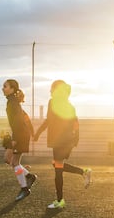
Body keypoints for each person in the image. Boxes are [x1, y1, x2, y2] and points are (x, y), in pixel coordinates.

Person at [33, 80, 92, 209]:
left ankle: (60, 200)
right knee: (56, 164)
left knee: (58, 168)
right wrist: (76, 138)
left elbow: (48, 120)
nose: (50, 91)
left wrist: (37, 133)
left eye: (51, 89)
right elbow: (76, 122)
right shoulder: (70, 105)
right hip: (67, 140)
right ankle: (83, 172)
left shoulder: (52, 102)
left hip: (60, 140)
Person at [2, 79, 37, 201]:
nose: (3, 88)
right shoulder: (12, 102)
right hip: (18, 133)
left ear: (12, 89)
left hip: (20, 134)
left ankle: (24, 189)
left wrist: (16, 138)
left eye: (5, 86)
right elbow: (22, 119)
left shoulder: (13, 103)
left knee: (15, 162)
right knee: (8, 159)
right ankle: (29, 176)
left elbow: (19, 122)